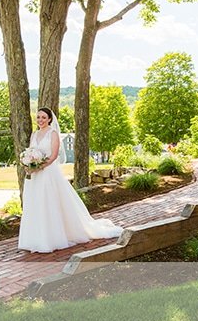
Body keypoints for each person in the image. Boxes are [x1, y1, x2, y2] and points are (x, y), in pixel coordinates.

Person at [18, 107, 123, 253]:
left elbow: (54, 155)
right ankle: (35, 238)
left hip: (48, 173)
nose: (40, 120)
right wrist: (28, 164)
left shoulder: (53, 134)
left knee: (49, 203)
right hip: (35, 176)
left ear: (49, 119)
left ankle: (52, 238)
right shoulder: (34, 134)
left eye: (43, 117)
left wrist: (39, 166)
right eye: (38, 117)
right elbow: (30, 151)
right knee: (36, 203)